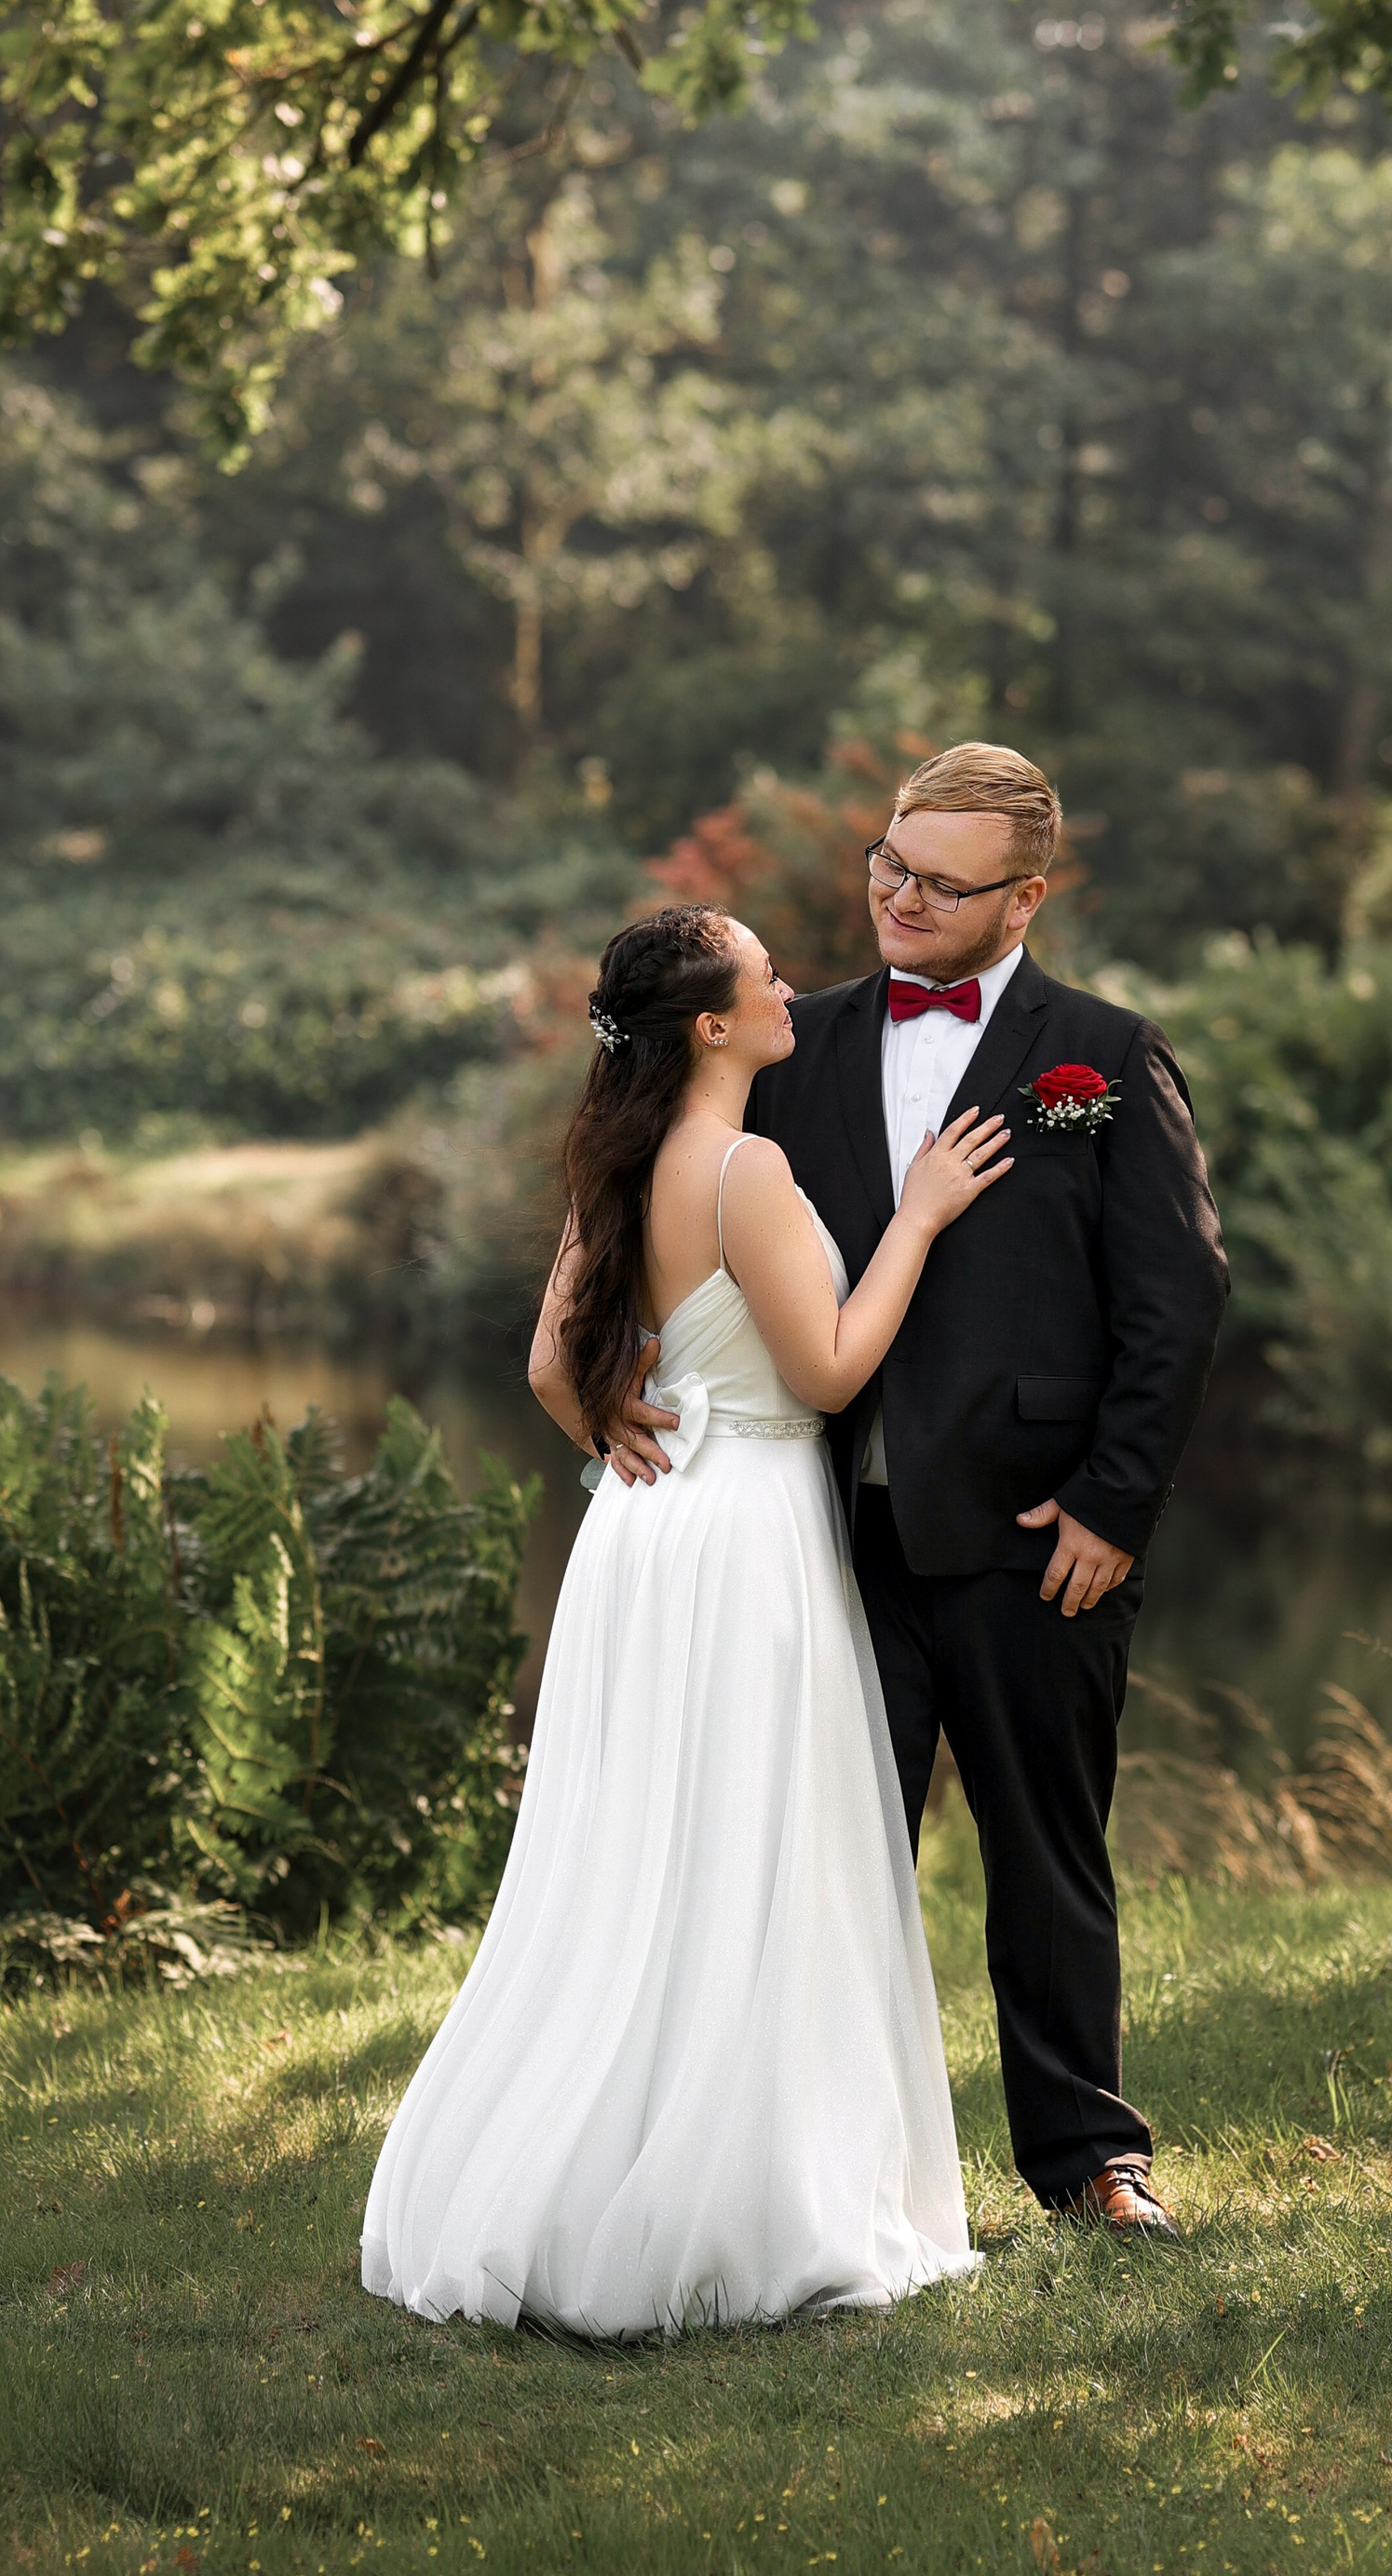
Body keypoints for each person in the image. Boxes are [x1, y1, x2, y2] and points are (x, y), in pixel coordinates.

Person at [360, 903, 1012, 2337]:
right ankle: (743, 2197)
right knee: (751, 1852)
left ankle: (587, 2169)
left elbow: (548, 1362)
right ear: (712, 1024)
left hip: (643, 1535)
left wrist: (615, 1434)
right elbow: (833, 1372)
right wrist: (917, 1216)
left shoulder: (622, 1161)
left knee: (635, 1856)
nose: (790, 980)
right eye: (762, 970)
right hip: (750, 1538)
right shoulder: (745, 1166)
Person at [745, 742, 1228, 2238]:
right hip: (826, 1533)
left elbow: (1178, 1299)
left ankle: (1091, 2160)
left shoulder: (1104, 1054)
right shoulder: (792, 1048)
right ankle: (822, 2172)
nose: (898, 896)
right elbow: (694, 1229)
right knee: (829, 1863)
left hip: (1039, 1538)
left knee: (1047, 1857)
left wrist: (1112, 1502)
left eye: (940, 883)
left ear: (1027, 895)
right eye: (889, 862)